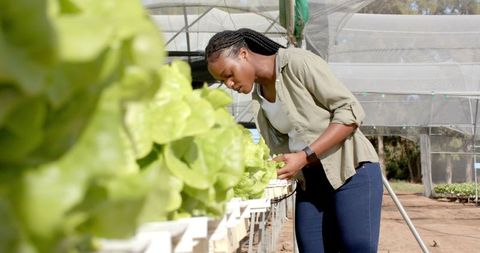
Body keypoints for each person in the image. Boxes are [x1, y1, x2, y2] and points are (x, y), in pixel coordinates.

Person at [205, 28, 383, 253]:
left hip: (350, 171)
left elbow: (350, 112)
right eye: (223, 81)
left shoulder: (297, 63)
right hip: (311, 181)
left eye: (229, 74)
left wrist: (304, 155)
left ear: (243, 54)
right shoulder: (258, 97)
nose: (229, 84)